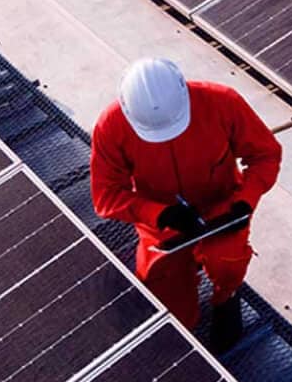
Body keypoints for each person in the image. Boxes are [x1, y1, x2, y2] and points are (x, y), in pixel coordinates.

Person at [89, 57, 281, 348]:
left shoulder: (223, 103)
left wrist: (244, 201)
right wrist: (159, 214)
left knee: (227, 260)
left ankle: (225, 297)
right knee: (165, 290)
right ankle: (182, 331)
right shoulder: (111, 126)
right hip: (163, 223)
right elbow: (106, 196)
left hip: (223, 210)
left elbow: (265, 155)